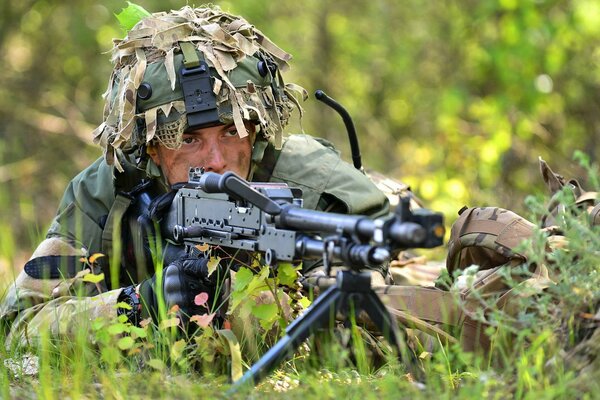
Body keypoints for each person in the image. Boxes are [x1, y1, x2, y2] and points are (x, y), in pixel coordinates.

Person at [0, 6, 389, 346]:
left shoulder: (312, 186)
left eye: (232, 130)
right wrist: (138, 305)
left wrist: (240, 303)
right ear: (150, 146)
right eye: (187, 139)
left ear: (256, 129)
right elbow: (20, 326)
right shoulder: (107, 191)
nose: (216, 160)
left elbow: (367, 327)